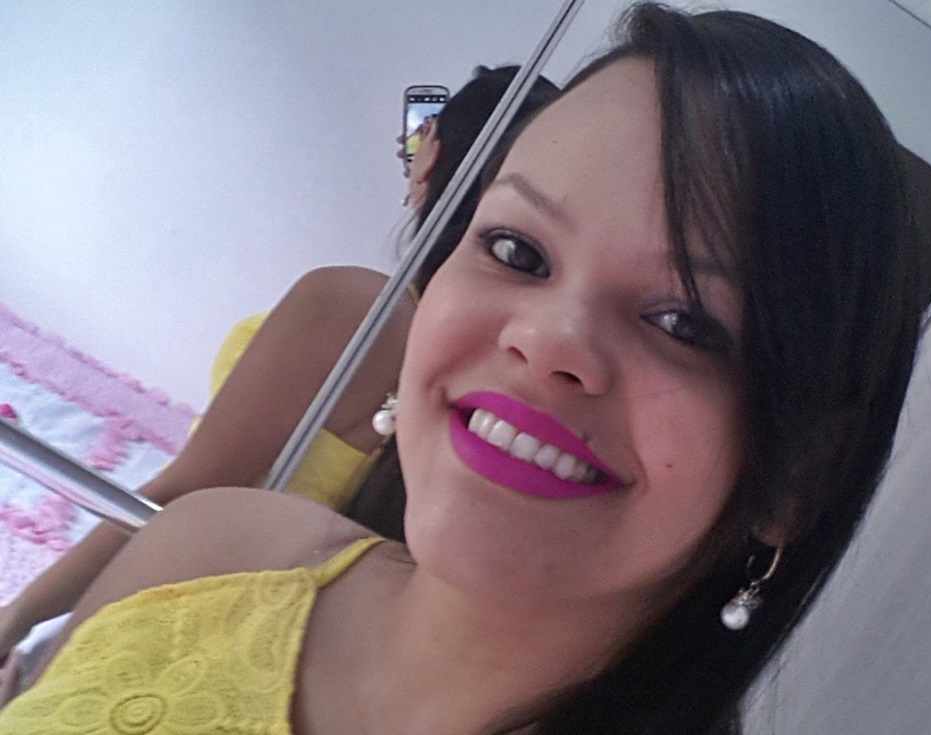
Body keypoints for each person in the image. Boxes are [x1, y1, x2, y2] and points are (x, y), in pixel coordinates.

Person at [0, 3, 921, 733]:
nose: (548, 339)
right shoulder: (214, 551)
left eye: (683, 321)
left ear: (799, 472)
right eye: (518, 250)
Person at [0, 65, 559, 665]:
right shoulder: (488, 365)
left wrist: (17, 623)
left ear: (430, 158)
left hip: (177, 606)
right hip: (287, 651)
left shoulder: (357, 309)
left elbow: (182, 497)